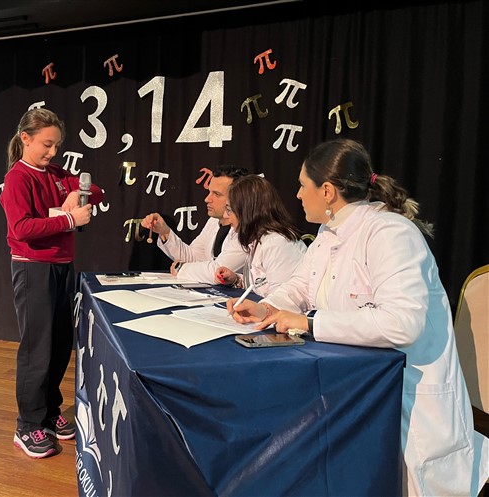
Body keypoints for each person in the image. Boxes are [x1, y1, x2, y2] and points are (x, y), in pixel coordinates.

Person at [227, 138, 489, 496]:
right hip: (357, 388)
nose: (298, 195)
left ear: (328, 191)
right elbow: (301, 286)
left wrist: (310, 323)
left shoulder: (391, 233)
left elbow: (402, 324)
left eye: (303, 186)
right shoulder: (328, 232)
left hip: (408, 401)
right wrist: (268, 308)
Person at [0, 108, 104, 459]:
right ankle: (27, 425)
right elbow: (21, 229)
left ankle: (48, 412)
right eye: (46, 144)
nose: (53, 152)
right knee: (37, 349)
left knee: (59, 345)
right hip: (33, 270)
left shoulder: (57, 174)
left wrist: (78, 194)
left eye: (57, 145)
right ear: (25, 138)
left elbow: (96, 190)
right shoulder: (18, 178)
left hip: (61, 267)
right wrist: (69, 220)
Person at [141, 166, 248, 284]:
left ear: (237, 198)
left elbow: (218, 272)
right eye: (209, 192)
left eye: (217, 194)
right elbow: (193, 257)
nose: (207, 199)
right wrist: (164, 232)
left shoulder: (248, 229)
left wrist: (181, 268)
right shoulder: (213, 222)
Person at [215, 175, 306, 297]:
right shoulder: (259, 239)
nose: (225, 216)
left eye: (229, 209)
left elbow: (283, 300)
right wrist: (236, 280)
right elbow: (261, 285)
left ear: (247, 211)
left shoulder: (277, 244)